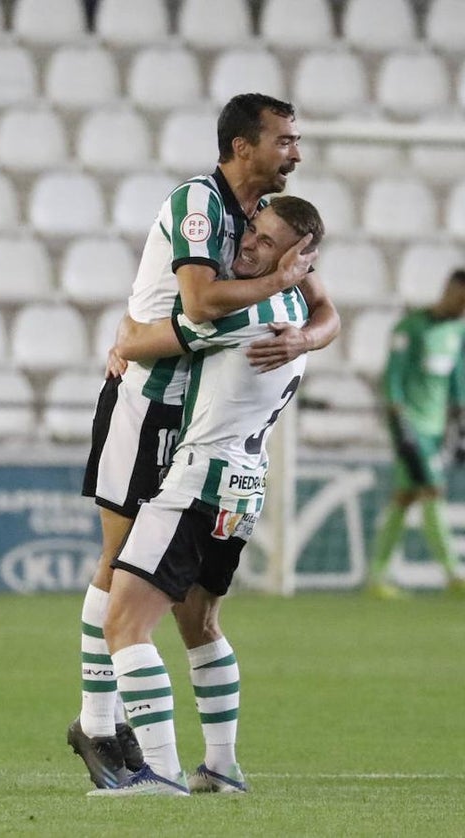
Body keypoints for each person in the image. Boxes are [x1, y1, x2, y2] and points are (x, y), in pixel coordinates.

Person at [67, 93, 341, 790]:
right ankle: (101, 725)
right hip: (152, 405)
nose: (297, 153)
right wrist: (295, 312)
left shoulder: (265, 235)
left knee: (151, 600)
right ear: (243, 147)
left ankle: (152, 756)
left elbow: (315, 307)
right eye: (286, 140)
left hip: (196, 429)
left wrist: (302, 325)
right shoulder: (209, 207)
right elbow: (198, 301)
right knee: (126, 564)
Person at [366, 269, 465, 600]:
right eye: (461, 301)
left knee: (405, 498)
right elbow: (393, 379)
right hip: (410, 426)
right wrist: (400, 426)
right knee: (434, 489)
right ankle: (454, 573)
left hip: (436, 429)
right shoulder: (411, 328)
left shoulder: (458, 331)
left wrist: (463, 426)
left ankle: (376, 576)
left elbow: (458, 378)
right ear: (447, 292)